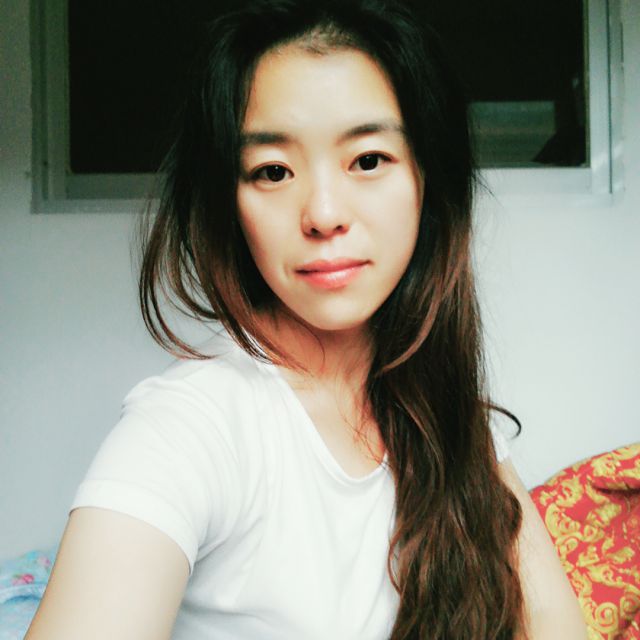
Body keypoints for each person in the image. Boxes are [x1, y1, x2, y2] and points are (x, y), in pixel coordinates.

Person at [25, 0, 587, 638]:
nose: (322, 213)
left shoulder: (451, 416)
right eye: (273, 172)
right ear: (230, 204)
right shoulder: (190, 427)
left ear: (426, 180)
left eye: (368, 160)